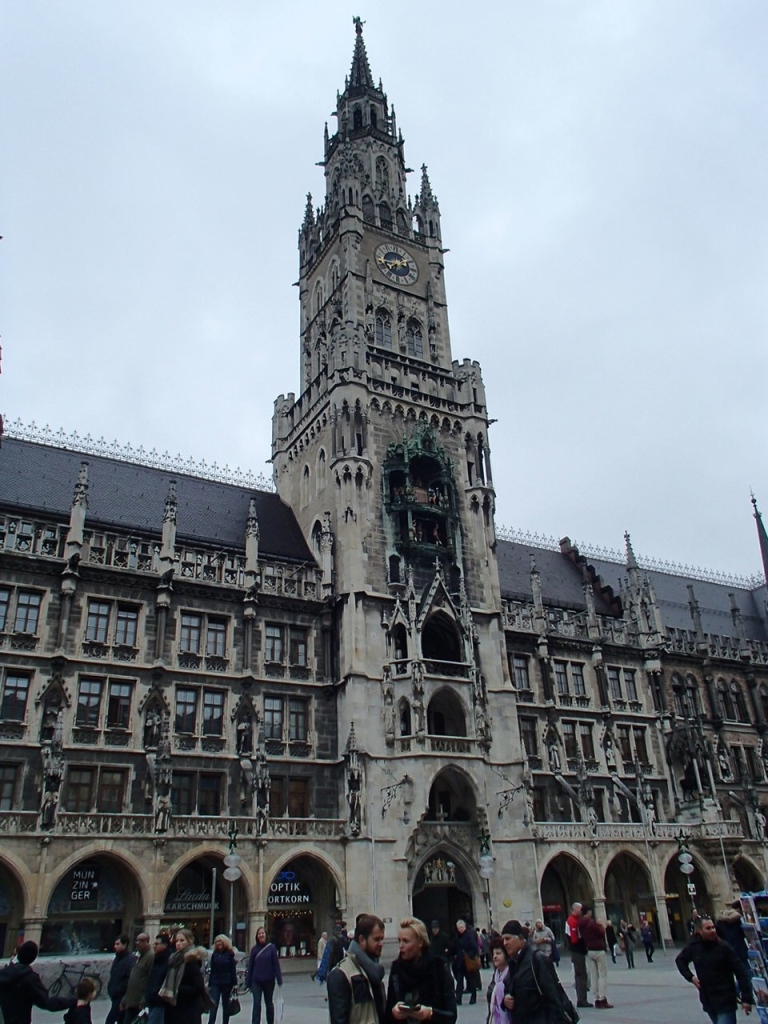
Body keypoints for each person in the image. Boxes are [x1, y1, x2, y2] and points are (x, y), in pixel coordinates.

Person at [675, 915, 754, 1024]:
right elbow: (680, 961)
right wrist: (691, 977)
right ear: (699, 931)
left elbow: (741, 972)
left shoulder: (723, 947)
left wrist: (746, 999)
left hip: (726, 999)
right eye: (708, 928)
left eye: (713, 927)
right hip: (708, 1000)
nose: (712, 930)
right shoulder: (694, 947)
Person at [385, 916, 457, 1024]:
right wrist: (393, 1012)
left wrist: (430, 1013)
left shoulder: (439, 967)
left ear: (420, 942)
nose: (401, 946)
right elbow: (388, 1013)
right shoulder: (396, 968)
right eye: (399, 941)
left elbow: (451, 1015)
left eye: (405, 941)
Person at [501, 920, 567, 1024]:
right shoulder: (513, 963)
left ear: (521, 938)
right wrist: (505, 1000)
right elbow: (508, 988)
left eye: (508, 939)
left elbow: (554, 998)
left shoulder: (537, 960)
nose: (505, 943)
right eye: (503, 940)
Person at [327, 913, 386, 1024]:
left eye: (382, 939)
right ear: (362, 940)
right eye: (377, 939)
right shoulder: (341, 974)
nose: (381, 944)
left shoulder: (375, 971)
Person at [0, 940, 74, 1024]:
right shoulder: (29, 978)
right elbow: (47, 1002)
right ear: (32, 959)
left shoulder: (5, 973)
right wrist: (72, 1001)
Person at [162, 929, 210, 1024]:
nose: (178, 944)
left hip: (187, 1010)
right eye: (176, 941)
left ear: (190, 941)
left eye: (182, 940)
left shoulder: (191, 961)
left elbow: (199, 987)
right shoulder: (174, 959)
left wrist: (178, 989)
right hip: (173, 1008)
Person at [245, 926, 282, 1024]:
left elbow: (276, 964)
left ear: (266, 935)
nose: (261, 935)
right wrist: (248, 982)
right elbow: (251, 966)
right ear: (257, 936)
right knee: (256, 1004)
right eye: (259, 934)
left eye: (262, 933)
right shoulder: (254, 950)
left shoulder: (272, 948)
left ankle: (270, 1022)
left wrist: (279, 979)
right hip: (256, 981)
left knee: (269, 1003)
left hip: (269, 981)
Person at [580, 906, 613, 1009]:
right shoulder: (591, 923)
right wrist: (600, 926)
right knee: (602, 975)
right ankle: (603, 998)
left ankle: (596, 999)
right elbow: (601, 933)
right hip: (598, 950)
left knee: (594, 976)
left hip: (589, 950)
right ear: (589, 912)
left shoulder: (580, 924)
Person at [124, 933, 154, 1024]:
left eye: (141, 941)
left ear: (147, 942)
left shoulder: (151, 956)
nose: (137, 943)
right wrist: (125, 998)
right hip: (131, 1001)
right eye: (136, 940)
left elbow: (150, 979)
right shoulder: (139, 956)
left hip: (139, 1002)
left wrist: (144, 999)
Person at [207, 935, 237, 1024]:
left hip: (227, 983)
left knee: (226, 1006)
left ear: (224, 942)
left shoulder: (230, 954)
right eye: (216, 942)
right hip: (215, 982)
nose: (218, 943)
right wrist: (209, 984)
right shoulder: (214, 954)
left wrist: (235, 984)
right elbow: (212, 970)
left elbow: (232, 969)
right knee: (213, 1005)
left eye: (219, 941)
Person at [565, 902, 590, 1007]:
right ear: (574, 909)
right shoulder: (572, 921)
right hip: (577, 951)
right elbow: (574, 939)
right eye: (580, 909)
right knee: (580, 975)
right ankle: (582, 999)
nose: (581, 911)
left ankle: (582, 998)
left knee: (581, 974)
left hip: (577, 950)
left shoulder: (574, 920)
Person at [107, 935, 136, 1024]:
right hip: (115, 994)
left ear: (125, 944)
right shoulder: (118, 958)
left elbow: (129, 978)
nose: (115, 946)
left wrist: (118, 989)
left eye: (118, 944)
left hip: (121, 995)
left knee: (111, 1020)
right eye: (115, 944)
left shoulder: (129, 959)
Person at [145, 934, 172, 1024]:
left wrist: (158, 993)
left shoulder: (169, 960)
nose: (154, 946)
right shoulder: (156, 959)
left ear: (164, 945)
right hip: (152, 999)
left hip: (160, 1001)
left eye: (157, 944)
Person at [452, 919, 480, 1005]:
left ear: (464, 927)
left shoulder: (469, 936)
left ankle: (473, 997)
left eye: (461, 927)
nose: (460, 929)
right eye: (459, 927)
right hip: (460, 963)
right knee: (459, 981)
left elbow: (474, 948)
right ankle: (458, 998)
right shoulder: (457, 937)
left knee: (471, 980)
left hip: (468, 963)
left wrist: (469, 955)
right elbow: (454, 947)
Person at [486, 938, 509, 1024]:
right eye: (493, 954)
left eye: (498, 953)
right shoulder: (496, 977)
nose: (495, 956)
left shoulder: (511, 975)